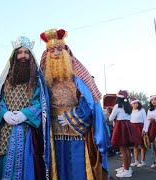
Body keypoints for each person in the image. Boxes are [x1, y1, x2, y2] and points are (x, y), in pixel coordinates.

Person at [40, 29, 110, 179]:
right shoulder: (44, 80)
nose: (56, 53)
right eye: (51, 51)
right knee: (56, 168)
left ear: (66, 53)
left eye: (59, 49)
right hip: (52, 132)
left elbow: (88, 101)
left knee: (76, 168)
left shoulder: (77, 77)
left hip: (75, 131)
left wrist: (72, 117)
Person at [0, 36, 48, 180]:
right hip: (6, 131)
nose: (23, 56)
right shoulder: (5, 80)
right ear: (14, 56)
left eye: (26, 52)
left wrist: (25, 114)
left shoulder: (37, 80)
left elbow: (41, 103)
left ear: (31, 56)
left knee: (26, 168)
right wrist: (5, 114)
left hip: (27, 133)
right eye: (19, 53)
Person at [109, 90, 140, 177]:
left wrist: (110, 112)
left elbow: (111, 118)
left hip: (120, 127)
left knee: (123, 149)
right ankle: (128, 168)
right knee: (127, 149)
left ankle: (126, 170)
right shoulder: (128, 106)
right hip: (128, 126)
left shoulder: (117, 106)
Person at [129, 97, 149, 168]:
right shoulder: (130, 111)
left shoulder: (142, 110)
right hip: (133, 128)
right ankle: (136, 160)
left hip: (140, 127)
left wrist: (144, 129)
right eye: (134, 103)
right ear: (131, 104)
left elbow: (145, 120)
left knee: (142, 145)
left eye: (136, 103)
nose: (136, 104)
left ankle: (143, 161)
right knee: (135, 145)